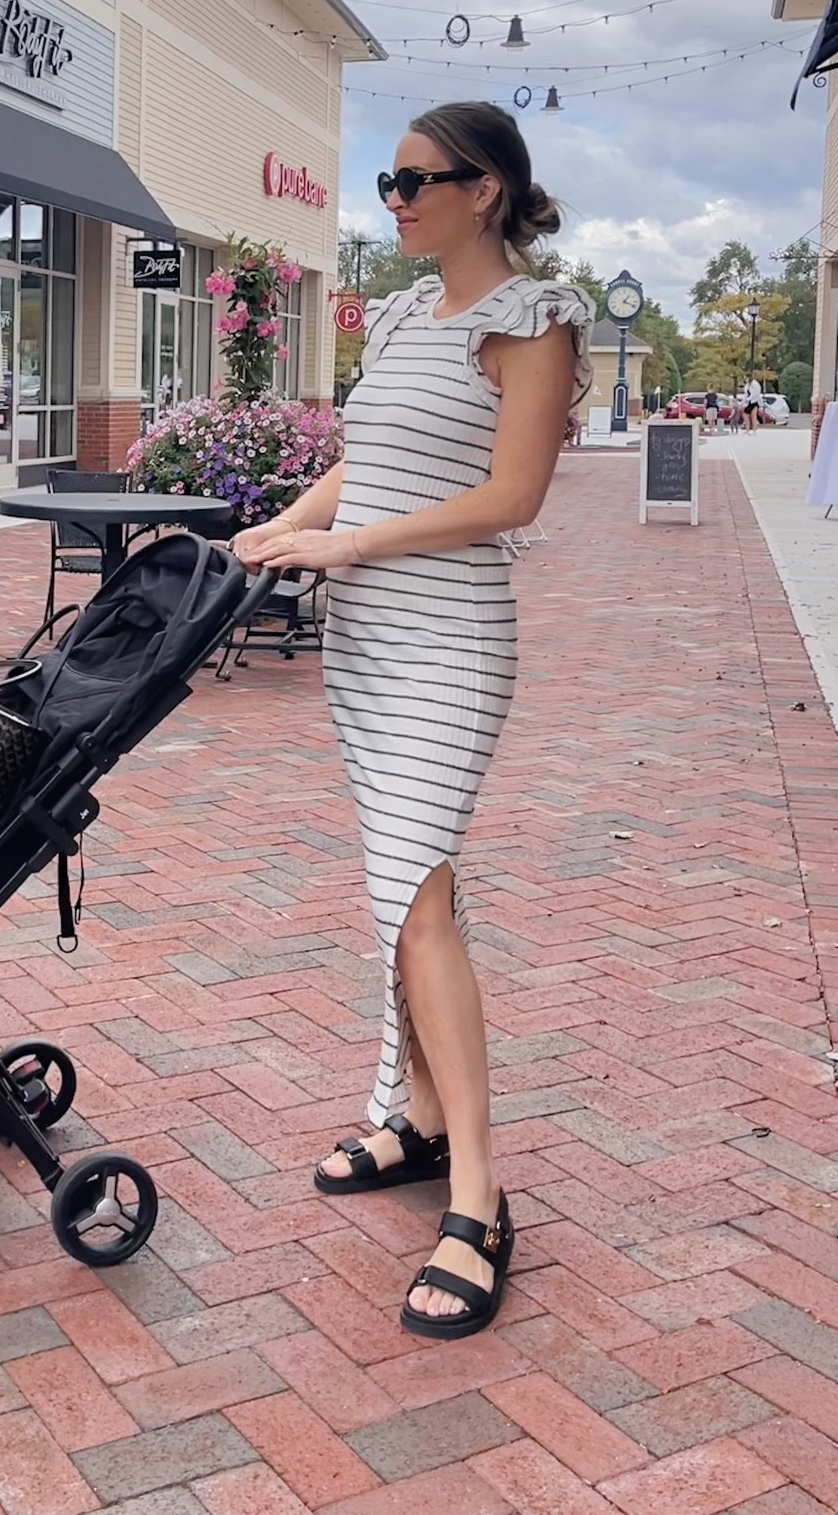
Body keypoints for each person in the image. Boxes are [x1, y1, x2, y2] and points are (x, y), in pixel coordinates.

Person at [234, 102, 592, 1342]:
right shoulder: (395, 315)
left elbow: (512, 495)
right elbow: (368, 456)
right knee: (397, 891)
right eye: (386, 182)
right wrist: (290, 523)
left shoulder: (531, 320)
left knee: (418, 894)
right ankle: (421, 1122)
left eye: (416, 181)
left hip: (449, 639)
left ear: (484, 189)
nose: (394, 200)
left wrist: (350, 542)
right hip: (367, 639)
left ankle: (482, 1199)